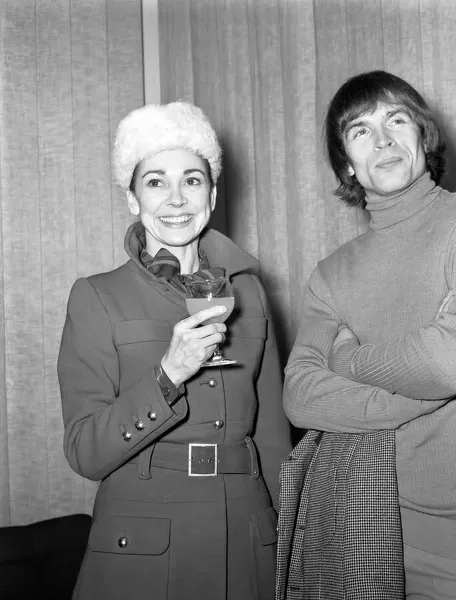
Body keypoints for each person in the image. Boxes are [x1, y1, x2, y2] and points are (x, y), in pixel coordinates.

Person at [279, 71, 456, 600]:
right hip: (345, 522)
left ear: (422, 136)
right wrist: (420, 387)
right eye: (360, 130)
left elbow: (453, 365)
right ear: (346, 162)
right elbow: (300, 396)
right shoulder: (330, 274)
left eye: (397, 119)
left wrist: (350, 361)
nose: (384, 139)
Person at [58, 101, 292, 600]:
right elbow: (84, 451)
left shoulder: (249, 292)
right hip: (143, 536)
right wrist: (167, 375)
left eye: (192, 179)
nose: (176, 198)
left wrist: (289, 535)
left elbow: (273, 435)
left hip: (246, 530)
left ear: (211, 192)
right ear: (131, 198)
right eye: (156, 181)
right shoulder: (96, 296)